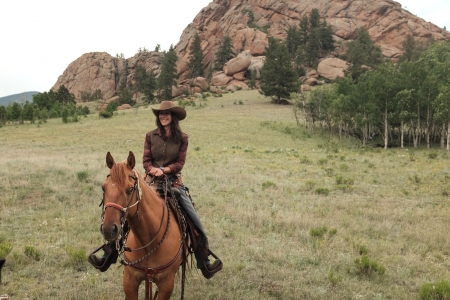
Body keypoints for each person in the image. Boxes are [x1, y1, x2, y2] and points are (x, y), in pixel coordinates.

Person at [143, 101, 222, 279]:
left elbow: (179, 163)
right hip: (150, 180)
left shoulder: (182, 138)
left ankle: (203, 259)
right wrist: (152, 170)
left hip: (172, 182)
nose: (163, 116)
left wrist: (164, 170)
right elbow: (146, 161)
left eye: (167, 114)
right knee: (128, 207)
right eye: (160, 114)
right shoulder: (150, 136)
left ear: (173, 117)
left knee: (192, 217)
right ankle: (111, 250)